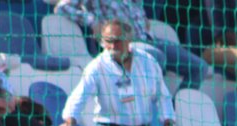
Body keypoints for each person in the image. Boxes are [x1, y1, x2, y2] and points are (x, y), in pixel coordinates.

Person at [54, 0, 209, 90]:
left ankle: (173, 114)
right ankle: (149, 118)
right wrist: (93, 21)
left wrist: (143, 20)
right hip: (123, 44)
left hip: (149, 39)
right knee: (156, 57)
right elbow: (62, 7)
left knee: (199, 67)